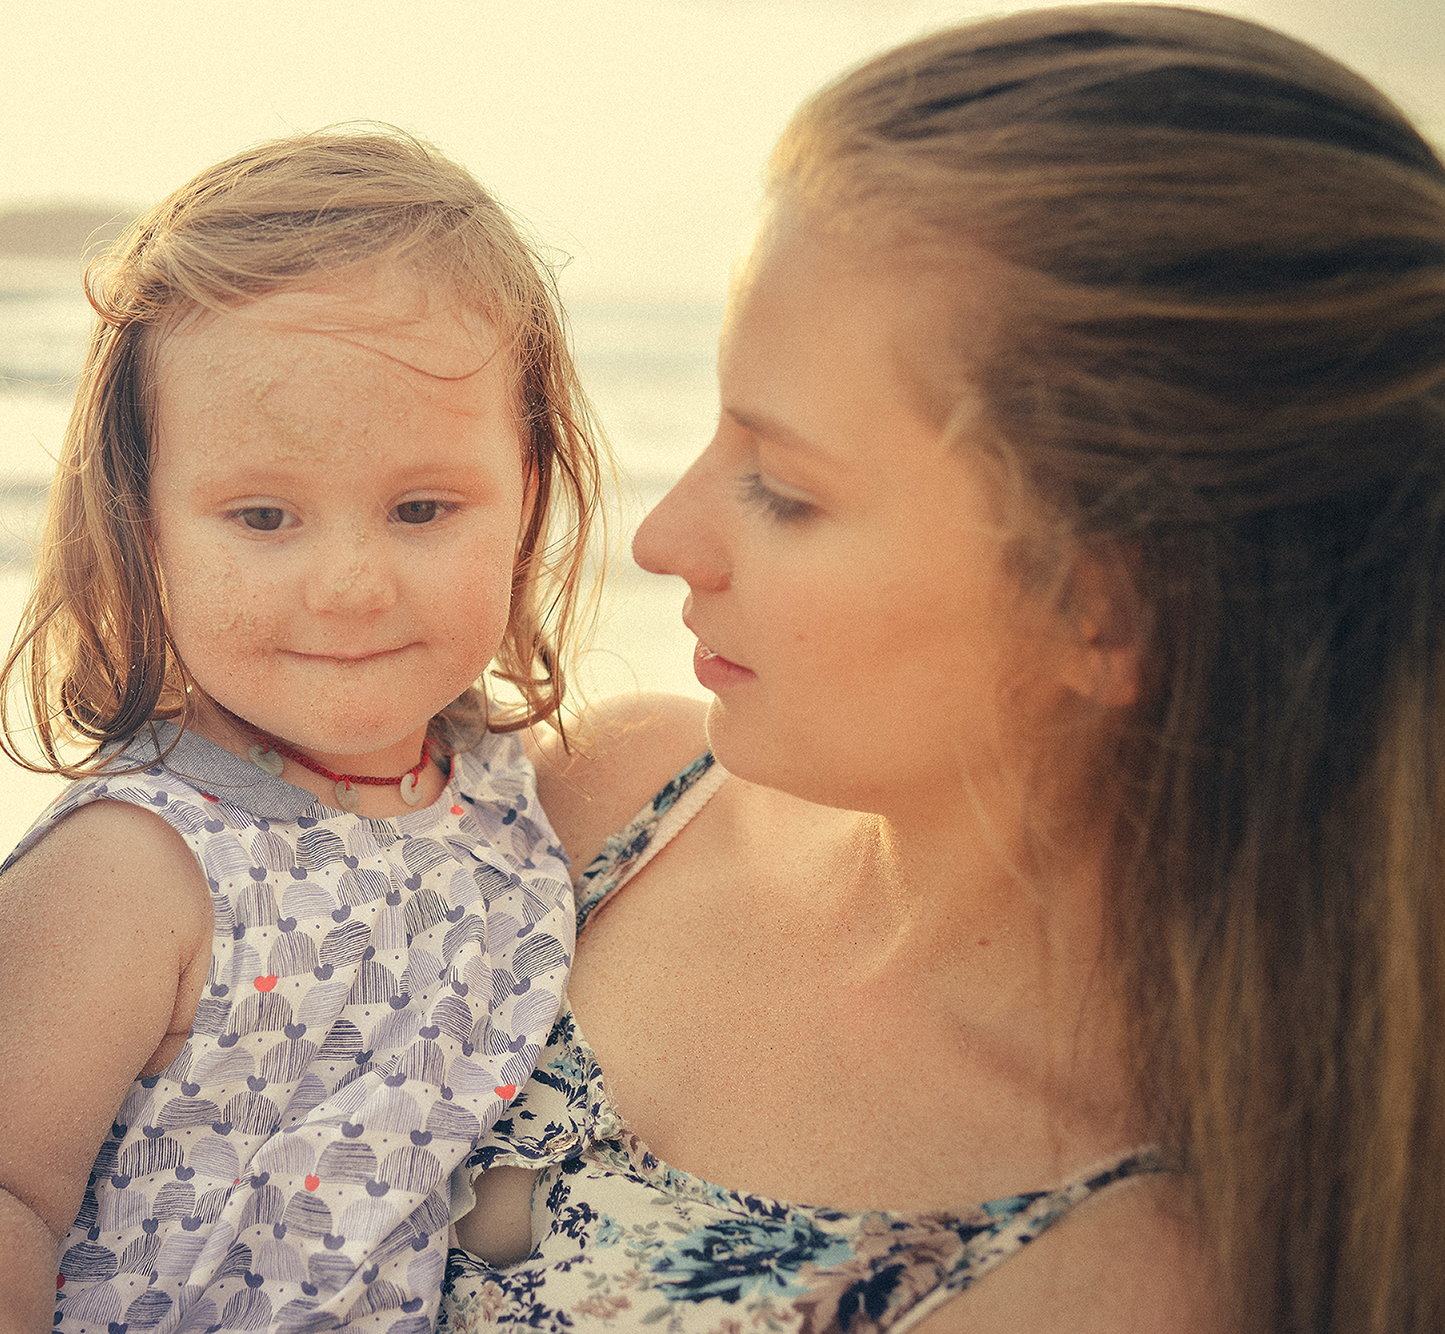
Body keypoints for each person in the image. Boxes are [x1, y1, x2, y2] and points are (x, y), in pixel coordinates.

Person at [444, 6, 1445, 1332]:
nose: (665, 534)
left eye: (787, 489)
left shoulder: (1121, 1275)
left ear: (1108, 616)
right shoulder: (599, 808)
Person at [0, 128, 608, 1334]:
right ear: (140, 520)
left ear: (527, 493)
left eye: (423, 507)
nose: (352, 583)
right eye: (264, 515)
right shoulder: (135, 865)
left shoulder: (513, 806)